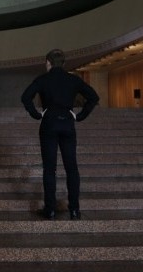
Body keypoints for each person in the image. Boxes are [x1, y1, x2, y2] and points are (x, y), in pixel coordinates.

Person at [21, 49, 99, 220]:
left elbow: (25, 97)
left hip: (49, 125)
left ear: (48, 63)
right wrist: (80, 116)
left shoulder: (42, 79)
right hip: (67, 125)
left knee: (50, 169)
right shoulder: (73, 79)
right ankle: (75, 210)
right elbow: (93, 97)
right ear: (63, 64)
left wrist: (36, 114)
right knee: (72, 168)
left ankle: (50, 210)